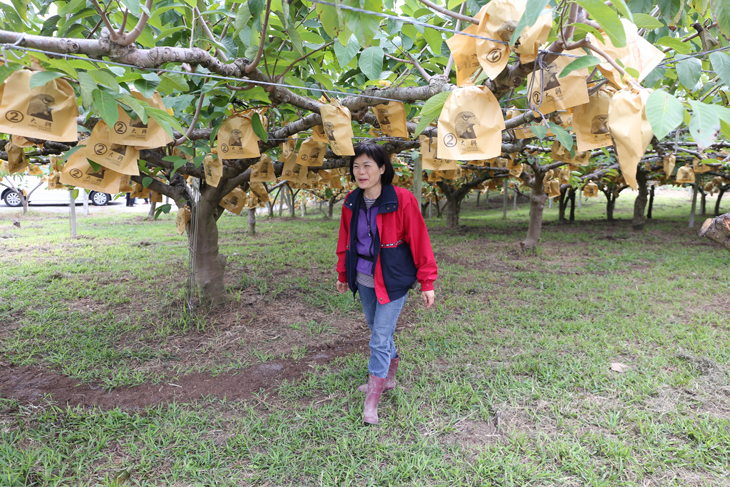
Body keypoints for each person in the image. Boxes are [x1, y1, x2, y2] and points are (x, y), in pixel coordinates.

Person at [336, 142, 437, 425]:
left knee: (379, 338)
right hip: (364, 277)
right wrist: (343, 274)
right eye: (356, 166)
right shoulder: (351, 201)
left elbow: (420, 241)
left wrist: (427, 281)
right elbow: (346, 240)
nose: (361, 171)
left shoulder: (402, 199)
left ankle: (373, 399)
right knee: (377, 329)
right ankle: (388, 377)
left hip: (392, 278)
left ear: (382, 168)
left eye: (367, 165)